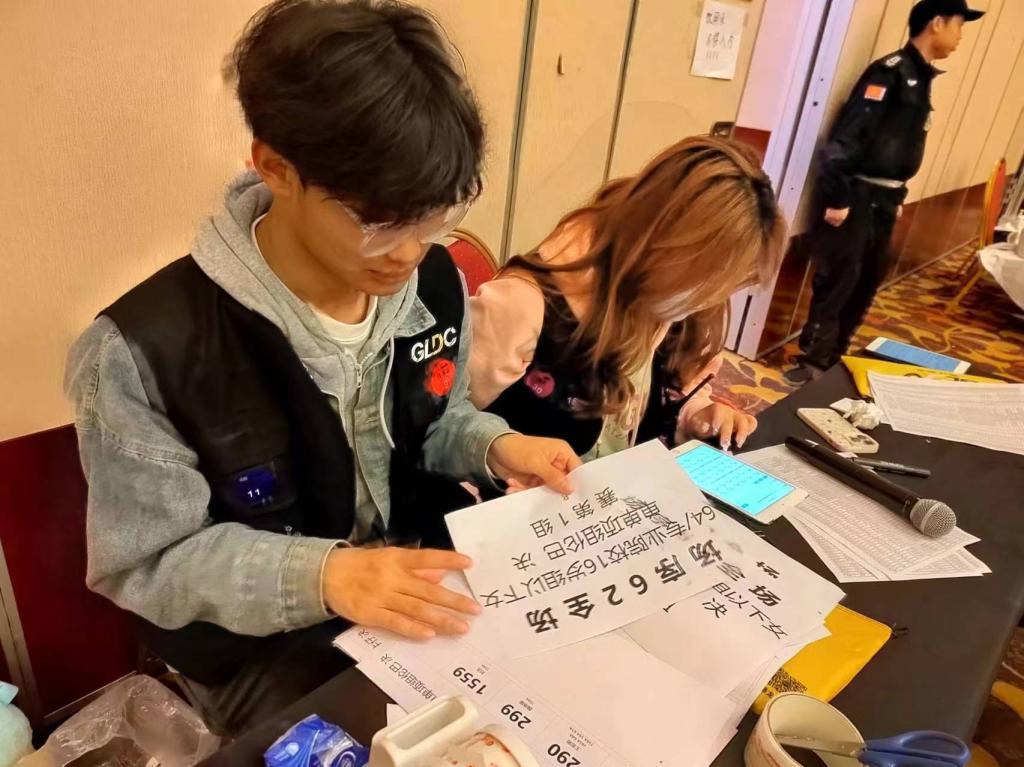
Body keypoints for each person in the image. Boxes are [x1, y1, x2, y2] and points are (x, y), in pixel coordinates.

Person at [64, 0, 580, 736]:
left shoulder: (433, 284)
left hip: (410, 580)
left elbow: (437, 422)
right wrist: (327, 575)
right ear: (275, 167)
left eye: (434, 217)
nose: (410, 252)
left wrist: (498, 446)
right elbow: (145, 563)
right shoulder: (143, 351)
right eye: (378, 221)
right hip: (258, 651)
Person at [469, 136, 786, 462]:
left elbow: (666, 391)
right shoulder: (526, 307)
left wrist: (694, 414)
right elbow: (450, 427)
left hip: (612, 484)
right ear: (664, 240)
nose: (711, 299)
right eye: (709, 281)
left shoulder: (676, 302)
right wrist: (498, 457)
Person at [785, 0, 984, 384]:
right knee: (840, 279)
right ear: (937, 23)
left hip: (886, 199)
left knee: (866, 282)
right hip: (858, 196)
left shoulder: (920, 78)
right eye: (958, 25)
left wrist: (898, 195)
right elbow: (846, 139)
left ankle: (835, 359)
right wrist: (838, 197)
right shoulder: (889, 73)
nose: (960, 36)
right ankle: (812, 363)